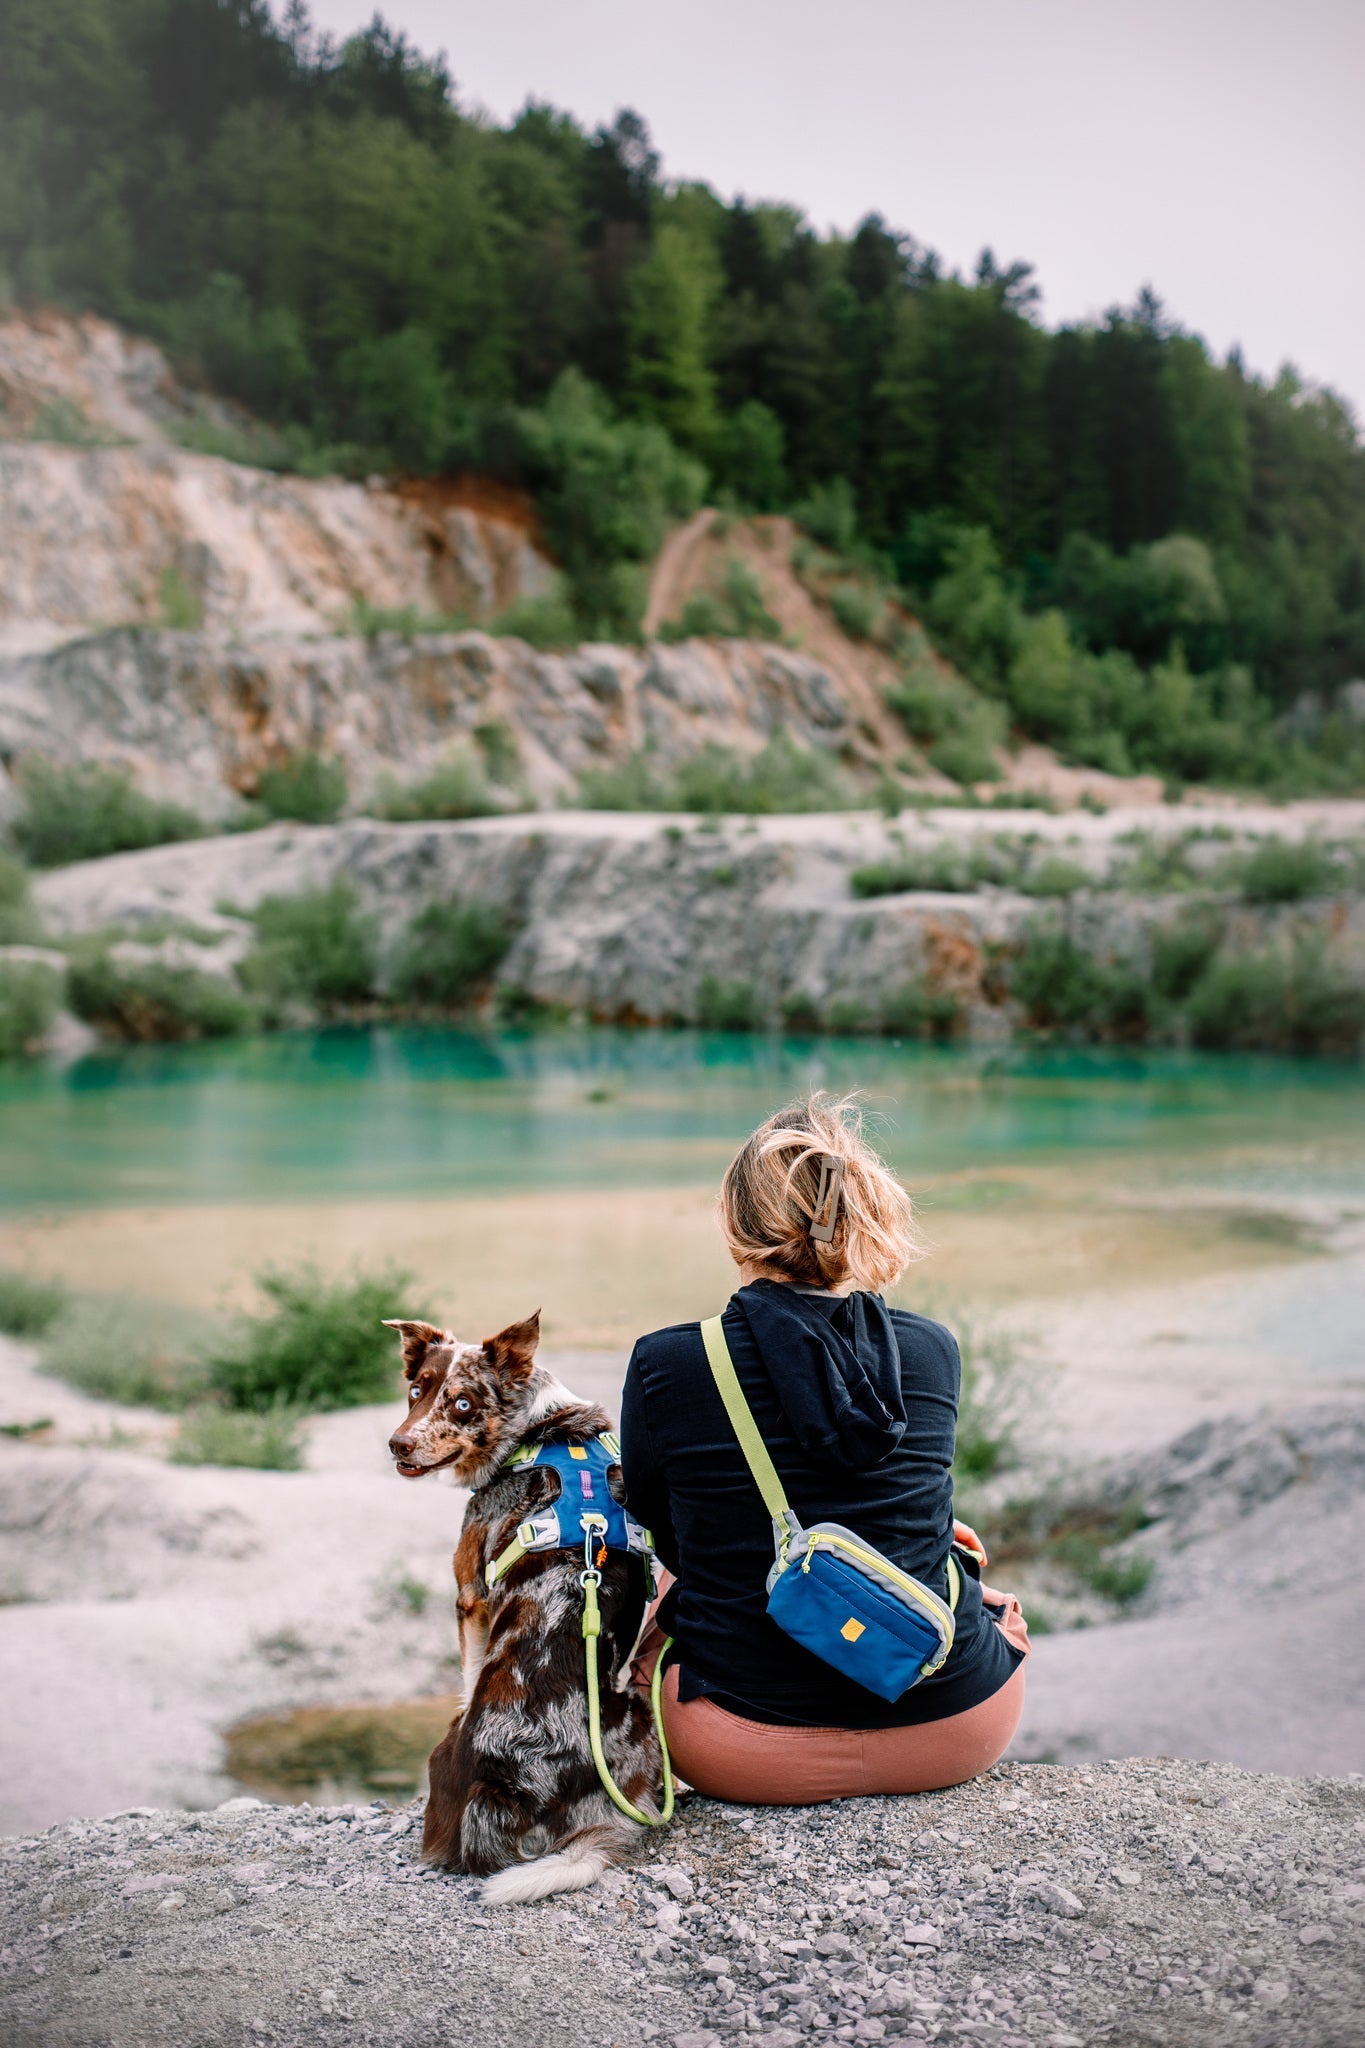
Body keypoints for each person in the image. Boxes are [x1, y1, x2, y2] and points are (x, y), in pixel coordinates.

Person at [620, 1093, 1029, 1805]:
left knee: (665, 1591)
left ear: (734, 1225)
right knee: (969, 1571)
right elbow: (900, 1498)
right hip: (957, 1730)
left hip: (744, 1751)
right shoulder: (930, 1349)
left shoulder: (670, 1363)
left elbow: (669, 1540)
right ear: (864, 1212)